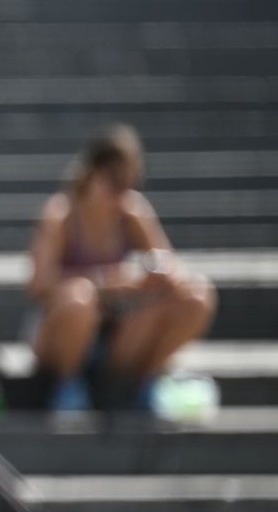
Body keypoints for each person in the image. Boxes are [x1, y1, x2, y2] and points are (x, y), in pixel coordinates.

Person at [24, 124, 215, 412]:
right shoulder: (61, 213)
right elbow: (39, 284)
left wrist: (151, 275)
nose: (122, 192)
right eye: (115, 181)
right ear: (91, 173)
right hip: (63, 330)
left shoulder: (133, 211)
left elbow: (172, 268)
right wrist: (104, 282)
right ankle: (68, 386)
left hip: (119, 329)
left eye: (130, 182)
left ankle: (142, 382)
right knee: (78, 297)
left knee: (196, 297)